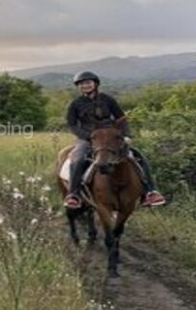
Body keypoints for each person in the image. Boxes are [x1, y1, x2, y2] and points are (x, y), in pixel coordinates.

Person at [63, 71, 166, 209]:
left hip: (111, 136)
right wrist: (87, 136)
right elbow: (72, 124)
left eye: (88, 82)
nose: (85, 85)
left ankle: (150, 192)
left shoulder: (107, 99)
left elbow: (121, 118)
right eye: (82, 84)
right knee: (78, 158)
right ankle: (74, 194)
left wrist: (126, 135)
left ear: (95, 84)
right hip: (88, 137)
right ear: (78, 87)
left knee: (137, 155)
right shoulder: (75, 104)